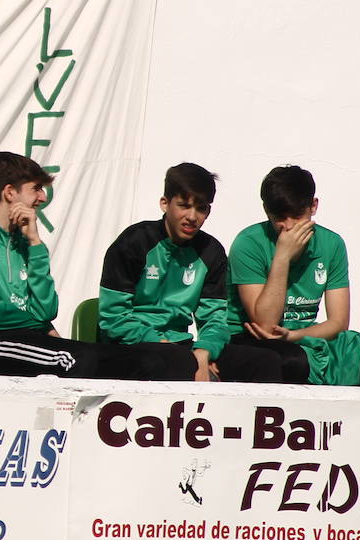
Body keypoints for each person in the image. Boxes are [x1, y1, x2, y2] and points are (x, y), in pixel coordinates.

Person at [0, 152, 189, 379]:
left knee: (121, 358)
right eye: (36, 189)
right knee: (76, 360)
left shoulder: (29, 244)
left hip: (32, 339)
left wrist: (35, 243)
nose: (42, 197)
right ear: (10, 193)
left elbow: (48, 310)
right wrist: (38, 322)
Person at [98, 162, 280, 383]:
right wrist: (170, 348)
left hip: (182, 347)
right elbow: (113, 318)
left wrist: (204, 352)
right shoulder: (133, 242)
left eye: (201, 208)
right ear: (164, 204)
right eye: (184, 205)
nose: (192, 216)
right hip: (131, 347)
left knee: (266, 361)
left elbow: (215, 319)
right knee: (175, 362)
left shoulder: (211, 251)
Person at [227, 165, 360, 387]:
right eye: (280, 218)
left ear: (314, 206)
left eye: (297, 216)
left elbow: (339, 322)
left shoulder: (332, 244)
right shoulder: (249, 242)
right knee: (293, 361)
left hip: (304, 336)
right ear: (266, 211)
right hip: (250, 339)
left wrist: (294, 336)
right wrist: (282, 257)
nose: (289, 227)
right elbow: (265, 323)